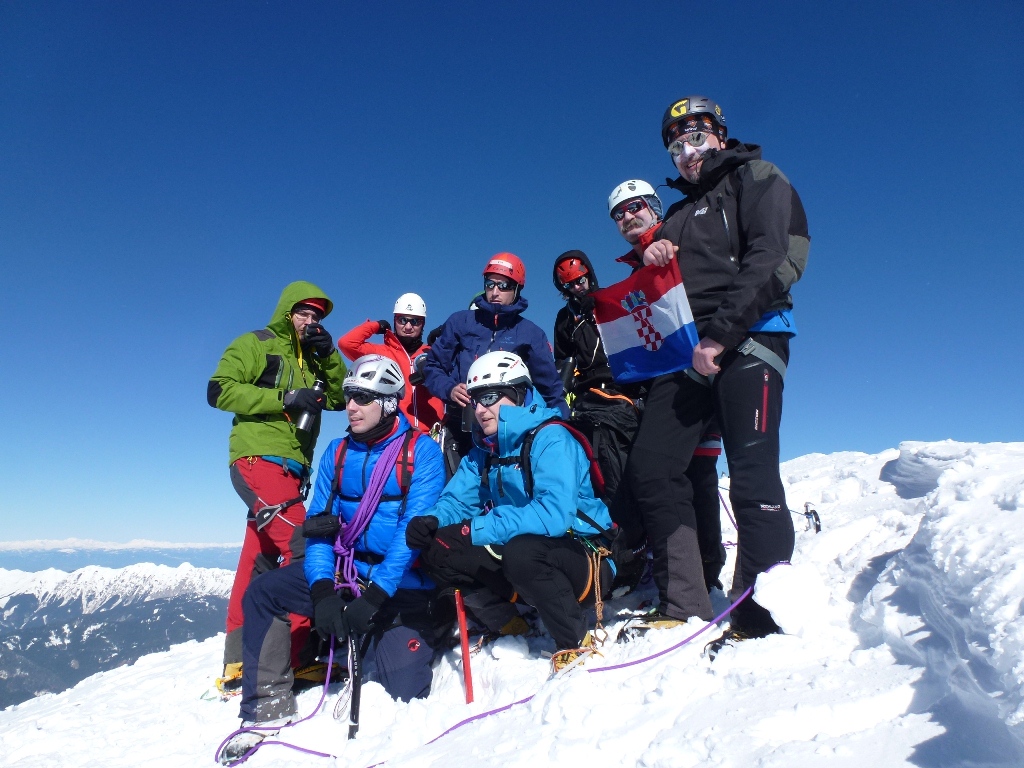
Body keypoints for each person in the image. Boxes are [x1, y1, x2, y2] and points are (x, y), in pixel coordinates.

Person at [625, 95, 809, 646]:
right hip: (689, 354)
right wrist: (652, 257)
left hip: (750, 339)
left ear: (720, 136)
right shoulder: (678, 215)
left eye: (696, 138)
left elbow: (777, 257)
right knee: (652, 466)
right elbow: (660, 293)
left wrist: (721, 335)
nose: (687, 153)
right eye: (676, 147)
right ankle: (685, 600)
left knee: (752, 474)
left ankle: (759, 615)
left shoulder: (757, 178)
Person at [217, 355, 446, 763]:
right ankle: (266, 705)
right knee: (265, 592)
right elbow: (320, 527)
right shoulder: (337, 452)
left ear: (388, 404)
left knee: (404, 689)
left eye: (362, 398)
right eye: (349, 396)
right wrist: (322, 589)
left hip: (399, 586)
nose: (350, 406)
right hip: (346, 571)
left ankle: (424, 629)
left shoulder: (421, 452)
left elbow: (409, 536)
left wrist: (374, 598)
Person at [407, 351, 623, 673]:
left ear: (518, 393)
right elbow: (457, 501)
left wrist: (477, 528)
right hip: (528, 554)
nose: (480, 410)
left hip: (586, 558)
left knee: (522, 552)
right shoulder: (484, 451)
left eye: (489, 397)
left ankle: (574, 642)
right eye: (475, 400)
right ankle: (509, 623)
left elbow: (552, 515)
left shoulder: (551, 438)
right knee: (438, 546)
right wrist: (433, 520)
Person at [207, 281, 346, 689]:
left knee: (260, 559)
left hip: (291, 470)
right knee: (307, 549)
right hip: (259, 460)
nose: (310, 320)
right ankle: (297, 656)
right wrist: (285, 398)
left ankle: (237, 661)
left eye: (316, 316)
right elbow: (218, 390)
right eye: (304, 313)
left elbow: (341, 398)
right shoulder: (256, 343)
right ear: (288, 313)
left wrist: (329, 355)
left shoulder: (315, 360)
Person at [605, 181, 728, 595]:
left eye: (634, 207)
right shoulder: (636, 268)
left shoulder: (677, 235)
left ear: (655, 208)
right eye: (618, 214)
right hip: (673, 380)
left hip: (698, 372)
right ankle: (703, 575)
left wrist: (665, 247)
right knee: (692, 475)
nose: (627, 217)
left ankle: (698, 581)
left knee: (679, 474)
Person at [423, 253, 568, 460]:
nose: (495, 291)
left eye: (504, 286)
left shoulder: (531, 333)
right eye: (490, 284)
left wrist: (563, 431)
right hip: (461, 429)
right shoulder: (460, 322)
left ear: (517, 288)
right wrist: (449, 389)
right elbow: (433, 366)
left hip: (510, 436)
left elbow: (550, 390)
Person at [337, 292, 444, 435]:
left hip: (435, 434)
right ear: (395, 320)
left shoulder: (434, 353)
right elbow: (346, 343)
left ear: (422, 324)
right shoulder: (380, 354)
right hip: (396, 435)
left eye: (415, 321)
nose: (408, 326)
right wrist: (376, 326)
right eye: (402, 320)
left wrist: (447, 332)